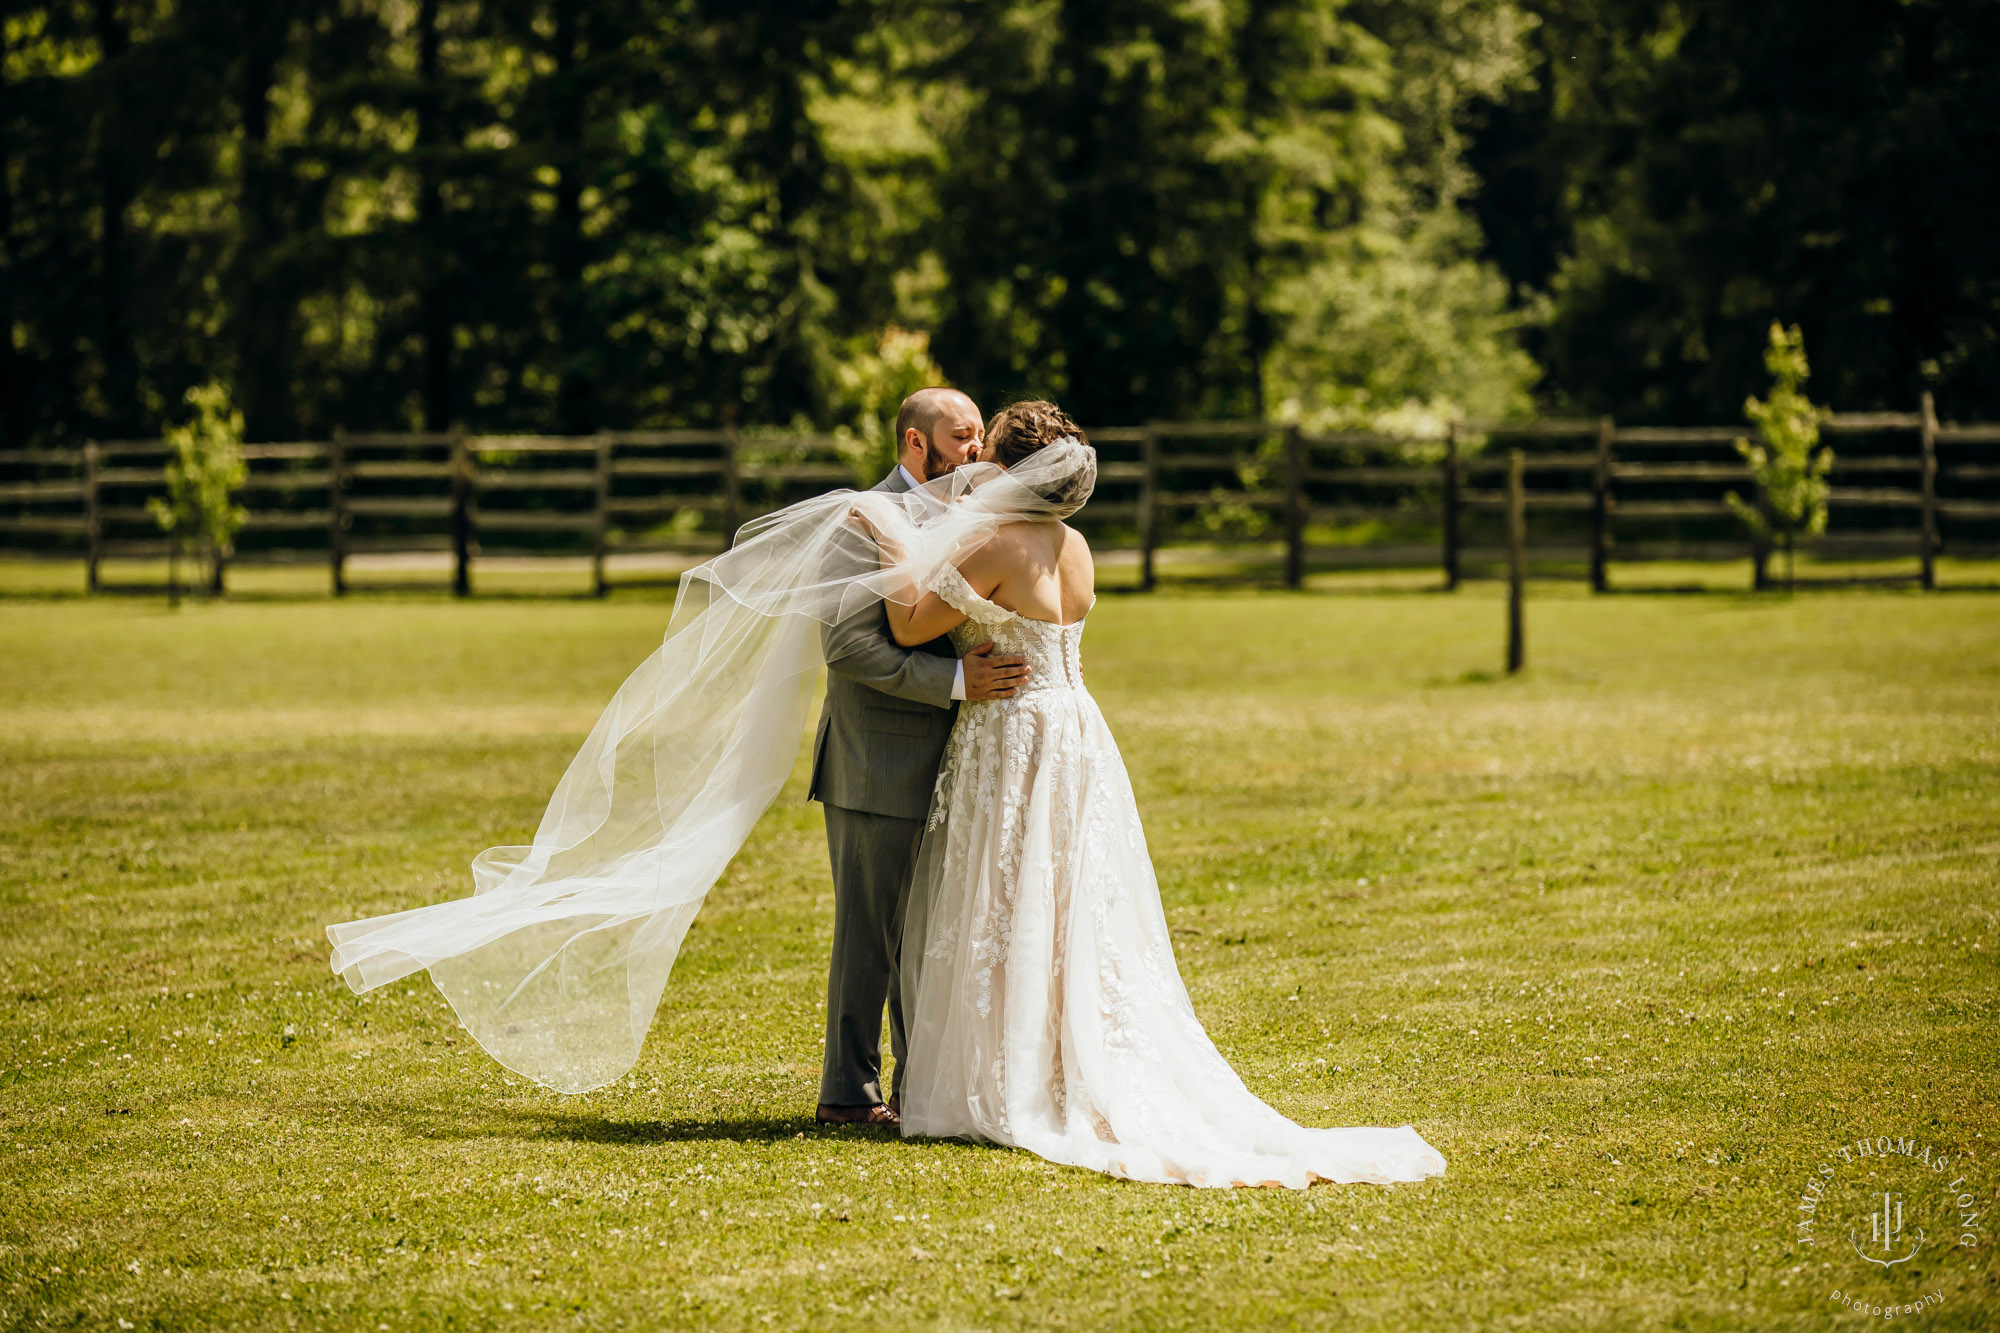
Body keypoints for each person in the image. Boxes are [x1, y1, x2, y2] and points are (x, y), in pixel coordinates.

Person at [860, 401, 1447, 1188]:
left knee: (1007, 893)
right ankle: (1057, 1058)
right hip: (1076, 731)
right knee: (1067, 901)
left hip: (1014, 732)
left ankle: (1013, 1075)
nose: (975, 465)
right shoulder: (1075, 545)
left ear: (1010, 466)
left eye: (988, 453)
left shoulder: (996, 541)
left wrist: (889, 536)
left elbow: (905, 625)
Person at [809, 387, 1030, 1127]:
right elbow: (847, 646)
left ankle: (920, 1089)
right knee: (871, 935)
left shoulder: (973, 516)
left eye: (979, 436)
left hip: (960, 762)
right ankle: (848, 1092)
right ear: (914, 443)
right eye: (962, 437)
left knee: (933, 934)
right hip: (878, 760)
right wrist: (959, 681)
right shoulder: (864, 517)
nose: (977, 450)